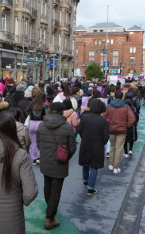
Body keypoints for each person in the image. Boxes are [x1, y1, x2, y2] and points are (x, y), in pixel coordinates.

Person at [37, 102, 76, 230]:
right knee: (56, 190)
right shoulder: (67, 127)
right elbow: (72, 148)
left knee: (47, 185)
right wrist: (64, 157)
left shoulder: (42, 125)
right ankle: (49, 218)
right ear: (62, 112)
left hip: (45, 161)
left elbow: (38, 144)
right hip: (60, 163)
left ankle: (50, 208)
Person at [78, 99, 109, 195]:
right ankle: (91, 188)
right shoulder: (103, 121)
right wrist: (101, 143)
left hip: (85, 143)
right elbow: (105, 136)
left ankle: (85, 181)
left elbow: (80, 130)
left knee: (85, 163)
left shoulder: (84, 118)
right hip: (97, 145)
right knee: (94, 166)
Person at [102, 91, 136, 174]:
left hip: (111, 129)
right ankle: (116, 167)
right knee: (118, 148)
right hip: (122, 130)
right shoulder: (126, 107)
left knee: (112, 147)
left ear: (114, 97)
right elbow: (132, 118)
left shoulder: (109, 106)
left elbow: (103, 116)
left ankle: (110, 164)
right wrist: (126, 125)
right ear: (122, 97)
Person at [29, 90, 49, 165]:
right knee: (41, 141)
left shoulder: (31, 104)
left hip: (32, 123)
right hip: (40, 123)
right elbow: (46, 115)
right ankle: (39, 157)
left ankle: (34, 159)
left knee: (33, 142)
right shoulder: (45, 105)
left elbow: (27, 112)